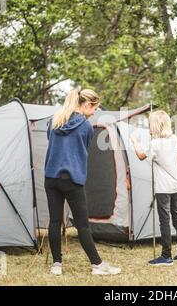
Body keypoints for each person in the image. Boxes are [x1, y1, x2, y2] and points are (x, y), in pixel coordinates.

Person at [44, 88, 121, 276]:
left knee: (54, 222)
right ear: (86, 104)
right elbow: (83, 147)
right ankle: (97, 265)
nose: (95, 112)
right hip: (72, 180)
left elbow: (51, 140)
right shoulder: (86, 127)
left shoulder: (54, 122)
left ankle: (56, 265)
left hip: (51, 178)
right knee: (82, 225)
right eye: (94, 108)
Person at [131, 110, 177, 266]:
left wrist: (134, 142)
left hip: (163, 187)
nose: (149, 126)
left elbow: (141, 156)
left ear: (156, 126)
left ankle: (166, 256)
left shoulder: (155, 144)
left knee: (165, 221)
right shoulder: (174, 139)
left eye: (150, 123)